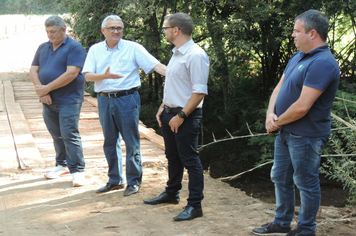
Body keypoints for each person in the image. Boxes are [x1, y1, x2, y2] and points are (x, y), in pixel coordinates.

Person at [252, 9, 340, 236]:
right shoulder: (298, 56)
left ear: (312, 33)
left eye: (296, 31)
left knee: (305, 182)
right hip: (285, 131)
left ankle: (305, 229)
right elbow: (279, 88)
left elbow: (302, 106)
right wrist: (269, 114)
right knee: (280, 176)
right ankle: (281, 222)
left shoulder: (323, 63)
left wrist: (277, 122)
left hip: (306, 134)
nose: (292, 35)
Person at [82, 15, 166, 196]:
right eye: (111, 28)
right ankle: (115, 180)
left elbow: (156, 65)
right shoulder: (96, 50)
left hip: (127, 98)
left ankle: (133, 181)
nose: (116, 31)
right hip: (104, 99)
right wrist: (104, 76)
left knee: (131, 140)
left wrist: (177, 74)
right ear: (103, 30)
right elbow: (87, 76)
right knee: (110, 141)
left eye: (119, 28)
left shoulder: (133, 48)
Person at [143, 12, 209, 221]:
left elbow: (199, 92)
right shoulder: (177, 53)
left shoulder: (195, 55)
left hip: (186, 116)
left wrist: (181, 115)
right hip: (170, 113)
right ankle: (172, 193)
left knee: (190, 160)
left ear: (176, 30)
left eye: (165, 28)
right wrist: (164, 106)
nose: (164, 31)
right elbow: (176, 84)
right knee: (173, 157)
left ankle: (195, 205)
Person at [29, 16, 87, 187]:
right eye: (47, 32)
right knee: (56, 134)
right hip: (48, 100)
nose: (50, 35)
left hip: (69, 99)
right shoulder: (43, 47)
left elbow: (71, 73)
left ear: (63, 30)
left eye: (53, 31)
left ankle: (77, 170)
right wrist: (41, 91)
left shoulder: (74, 47)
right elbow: (33, 70)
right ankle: (61, 165)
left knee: (70, 134)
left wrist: (47, 89)